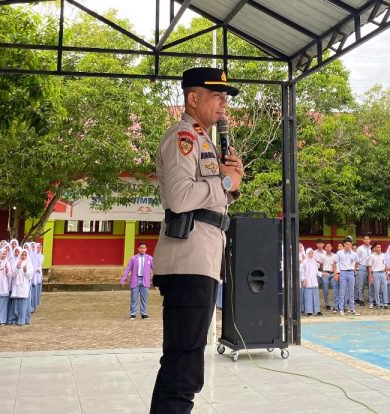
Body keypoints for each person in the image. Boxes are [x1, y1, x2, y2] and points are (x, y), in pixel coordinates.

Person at [150, 67, 244, 414]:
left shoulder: (205, 140)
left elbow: (212, 195)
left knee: (186, 359)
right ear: (193, 98)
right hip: (188, 260)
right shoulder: (183, 137)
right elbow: (180, 198)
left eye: (225, 97)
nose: (224, 103)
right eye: (217, 95)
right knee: (183, 364)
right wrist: (225, 183)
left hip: (201, 259)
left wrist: (232, 180)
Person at [121, 242, 154, 320]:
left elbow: (154, 269)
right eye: (141, 248)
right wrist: (123, 280)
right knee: (134, 298)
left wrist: (158, 280)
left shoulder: (150, 258)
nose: (142, 249)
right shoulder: (133, 258)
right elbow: (128, 269)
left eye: (144, 248)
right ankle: (133, 314)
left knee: (144, 299)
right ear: (138, 249)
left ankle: (144, 313)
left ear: (146, 249)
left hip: (145, 281)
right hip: (135, 280)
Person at [335, 237, 359, 316]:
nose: (348, 245)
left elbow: (357, 261)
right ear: (344, 245)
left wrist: (354, 268)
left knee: (351, 291)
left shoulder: (354, 254)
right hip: (343, 272)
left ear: (351, 245)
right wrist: (336, 273)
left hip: (351, 272)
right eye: (346, 244)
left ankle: (352, 308)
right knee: (342, 291)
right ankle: (341, 309)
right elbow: (334, 263)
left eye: (349, 244)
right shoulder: (339, 253)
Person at [8, 248, 33, 325]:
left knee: (23, 303)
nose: (23, 256)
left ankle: (22, 320)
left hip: (24, 285)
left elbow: (30, 275)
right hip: (16, 285)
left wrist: (25, 271)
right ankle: (14, 319)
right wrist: (17, 267)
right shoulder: (16, 262)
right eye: (22, 255)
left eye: (25, 255)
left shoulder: (29, 263)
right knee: (16, 303)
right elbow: (13, 274)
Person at [300, 249, 322, 316]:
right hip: (307, 282)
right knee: (308, 297)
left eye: (312, 253)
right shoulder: (304, 262)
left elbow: (317, 272)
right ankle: (309, 311)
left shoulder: (314, 262)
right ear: (307, 253)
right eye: (309, 253)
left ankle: (317, 310)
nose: (311, 254)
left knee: (316, 297)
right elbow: (301, 272)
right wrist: (303, 279)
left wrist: (322, 274)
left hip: (314, 282)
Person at [368, 244, 389, 309]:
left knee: (385, 288)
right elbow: (370, 267)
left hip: (383, 273)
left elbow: (385, 265)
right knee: (376, 289)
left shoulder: (383, 255)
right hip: (375, 273)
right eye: (378, 247)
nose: (379, 248)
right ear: (375, 248)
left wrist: (386, 273)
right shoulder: (372, 256)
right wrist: (370, 276)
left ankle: (385, 303)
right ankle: (378, 303)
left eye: (380, 247)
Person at [320, 243, 337, 312]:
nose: (328, 247)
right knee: (325, 289)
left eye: (329, 246)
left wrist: (335, 273)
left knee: (335, 289)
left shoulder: (335, 256)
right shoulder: (322, 256)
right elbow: (321, 265)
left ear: (331, 247)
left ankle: (335, 304)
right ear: (325, 248)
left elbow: (336, 265)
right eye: (326, 246)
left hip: (332, 273)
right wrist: (323, 272)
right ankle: (327, 304)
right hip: (325, 273)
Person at [355, 235, 371, 306]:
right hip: (362, 266)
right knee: (361, 284)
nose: (367, 240)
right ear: (363, 240)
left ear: (370, 240)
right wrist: (356, 268)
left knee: (370, 284)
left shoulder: (371, 248)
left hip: (370, 267)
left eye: (368, 239)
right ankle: (361, 299)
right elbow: (356, 259)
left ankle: (371, 299)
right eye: (365, 239)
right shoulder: (360, 248)